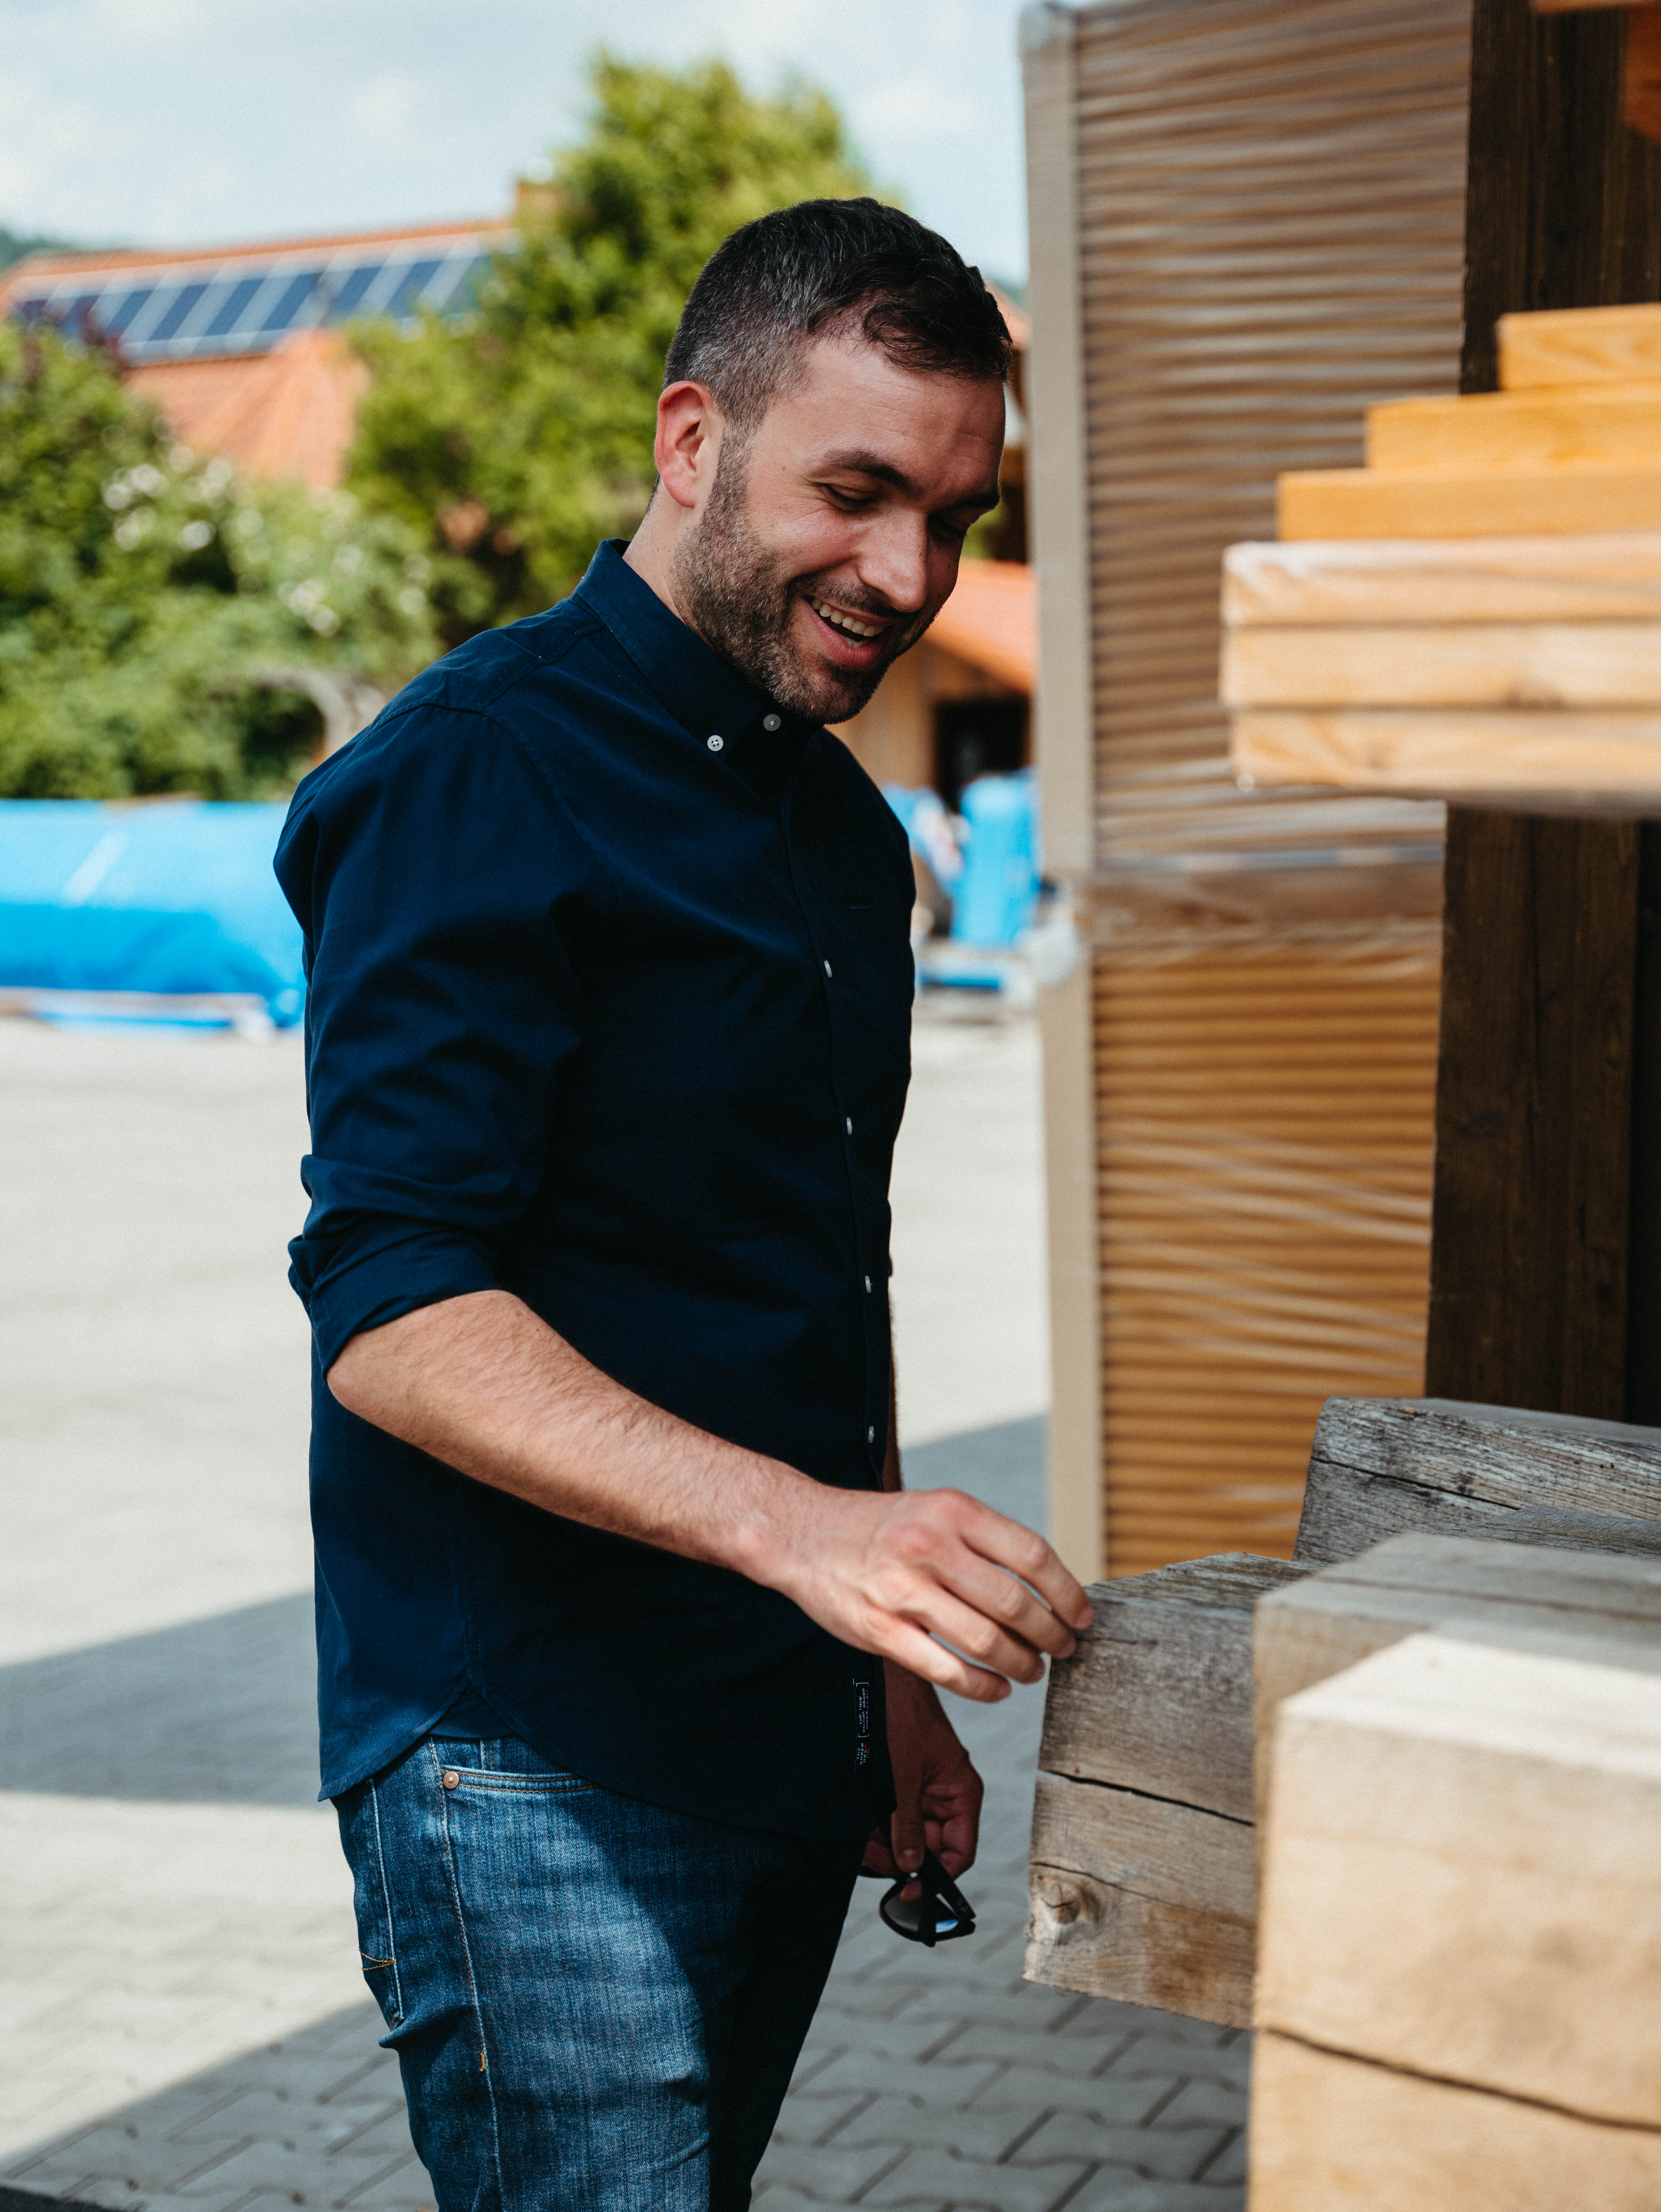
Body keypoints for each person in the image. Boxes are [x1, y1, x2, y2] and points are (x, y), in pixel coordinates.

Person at [274, 196, 1092, 2212]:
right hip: (529, 1760)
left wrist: (885, 1686)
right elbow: (391, 1302)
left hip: (770, 1721)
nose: (907, 574)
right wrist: (813, 1536)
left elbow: (821, 1278)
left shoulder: (842, 830)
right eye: (856, 492)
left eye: (955, 517)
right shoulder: (477, 770)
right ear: (690, 440)